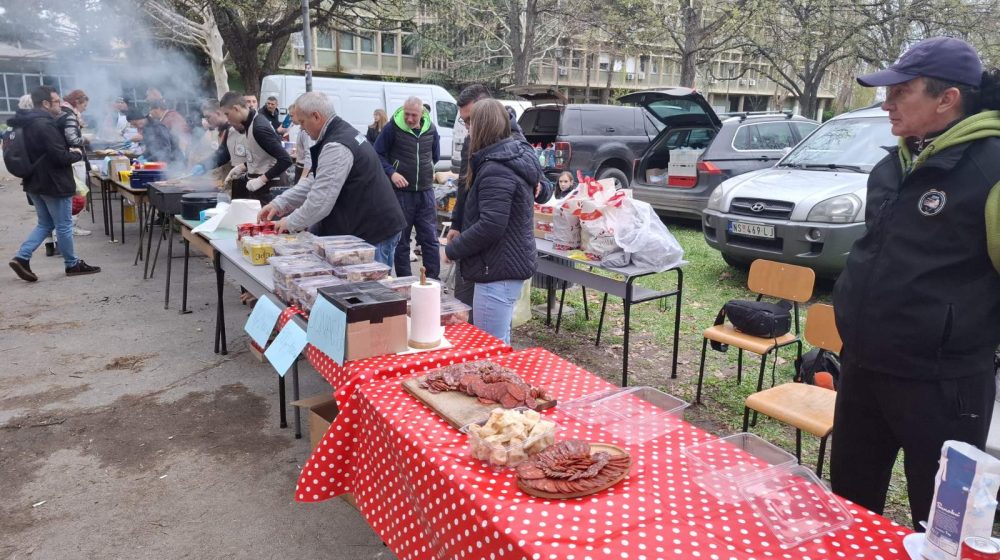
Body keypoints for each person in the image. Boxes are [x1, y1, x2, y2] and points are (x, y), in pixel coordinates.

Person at [830, 36, 1000, 530]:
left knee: (943, 523)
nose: (887, 103)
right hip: (863, 368)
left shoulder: (991, 170)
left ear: (947, 98)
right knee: (851, 504)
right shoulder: (892, 166)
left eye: (902, 92)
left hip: (943, 386)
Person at [257, 92, 405, 267]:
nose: (302, 129)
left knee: (369, 291)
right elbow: (315, 181)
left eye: (303, 122)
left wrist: (289, 222)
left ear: (317, 116)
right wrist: (279, 203)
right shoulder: (338, 133)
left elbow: (320, 202)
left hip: (374, 232)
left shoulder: (337, 145)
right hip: (368, 227)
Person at [447, 84, 552, 313]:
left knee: (490, 319)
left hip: (496, 255)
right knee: (464, 311)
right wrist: (457, 223)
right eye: (463, 121)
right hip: (471, 240)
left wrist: (539, 187)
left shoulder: (515, 142)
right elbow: (465, 184)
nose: (467, 128)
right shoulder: (471, 141)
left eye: (471, 120)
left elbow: (544, 186)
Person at [9, 85, 101, 281]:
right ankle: (72, 264)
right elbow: (59, 156)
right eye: (57, 101)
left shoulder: (26, 122)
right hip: (53, 182)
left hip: (34, 181)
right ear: (45, 104)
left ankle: (22, 257)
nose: (61, 104)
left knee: (46, 223)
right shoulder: (44, 124)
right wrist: (75, 155)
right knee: (64, 224)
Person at [373, 96, 441, 279]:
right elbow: (377, 154)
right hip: (401, 193)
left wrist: (425, 171)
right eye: (407, 114)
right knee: (401, 241)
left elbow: (435, 156)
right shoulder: (392, 128)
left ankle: (434, 281)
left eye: (414, 116)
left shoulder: (431, 130)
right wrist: (392, 173)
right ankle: (405, 281)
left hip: (426, 192)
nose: (410, 119)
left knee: (430, 240)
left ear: (422, 114)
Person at [218, 91, 292, 201]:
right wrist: (243, 166)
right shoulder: (249, 123)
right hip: (260, 187)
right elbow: (261, 155)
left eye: (227, 114)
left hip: (271, 188)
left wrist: (261, 180)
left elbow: (286, 160)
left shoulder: (258, 127)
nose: (227, 119)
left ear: (236, 109)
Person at [191, 99, 248, 188]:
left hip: (248, 182)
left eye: (208, 117)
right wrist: (203, 165)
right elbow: (223, 154)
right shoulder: (227, 131)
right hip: (232, 183)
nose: (207, 120)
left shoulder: (242, 129)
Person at [58, 89, 91, 237]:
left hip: (67, 158)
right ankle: (72, 225)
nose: (86, 108)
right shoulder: (70, 115)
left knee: (74, 193)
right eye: (85, 104)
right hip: (74, 159)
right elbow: (72, 140)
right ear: (77, 101)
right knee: (78, 193)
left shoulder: (63, 112)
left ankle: (70, 225)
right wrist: (87, 139)